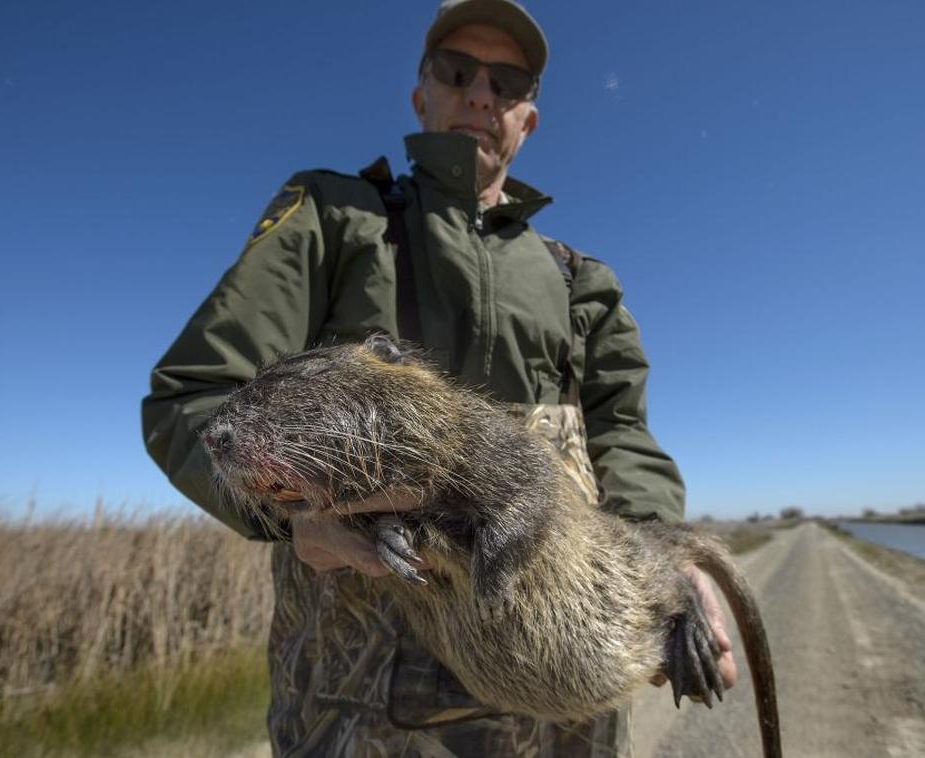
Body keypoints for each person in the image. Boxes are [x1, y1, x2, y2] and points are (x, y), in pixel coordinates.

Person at [142, 1, 736, 755]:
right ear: (422, 94)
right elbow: (192, 399)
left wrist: (670, 574)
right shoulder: (335, 217)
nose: (480, 95)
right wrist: (293, 516)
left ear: (528, 119)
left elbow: (624, 436)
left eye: (508, 82)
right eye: (457, 72)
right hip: (362, 700)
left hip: (566, 687)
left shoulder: (581, 280)